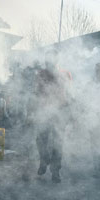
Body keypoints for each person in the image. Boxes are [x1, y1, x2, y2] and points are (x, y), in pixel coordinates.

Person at [32, 50, 72, 183]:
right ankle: (44, 161)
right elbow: (36, 93)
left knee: (58, 143)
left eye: (52, 59)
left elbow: (70, 94)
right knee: (41, 139)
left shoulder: (66, 74)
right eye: (47, 59)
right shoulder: (40, 74)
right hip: (44, 111)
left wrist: (72, 113)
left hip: (61, 111)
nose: (49, 62)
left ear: (57, 60)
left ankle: (55, 171)